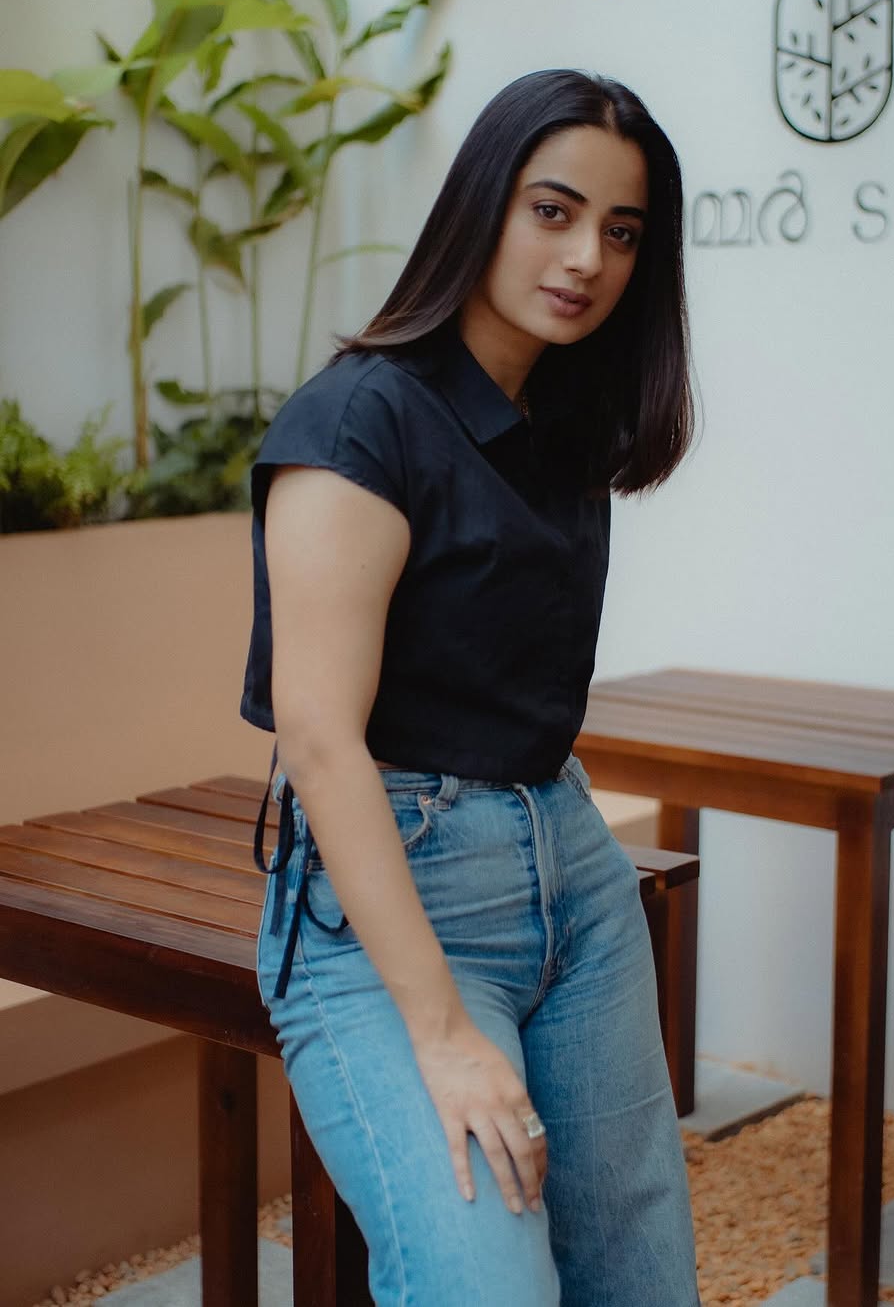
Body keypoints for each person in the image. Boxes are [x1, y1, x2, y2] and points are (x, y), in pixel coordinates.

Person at [240, 67, 701, 1306]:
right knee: (487, 1286)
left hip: (572, 873)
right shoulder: (356, 424)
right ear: (481, 205)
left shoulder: (562, 418)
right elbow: (322, 743)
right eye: (552, 211)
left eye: (622, 231)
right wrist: (442, 1037)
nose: (587, 257)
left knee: (641, 1283)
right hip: (385, 898)